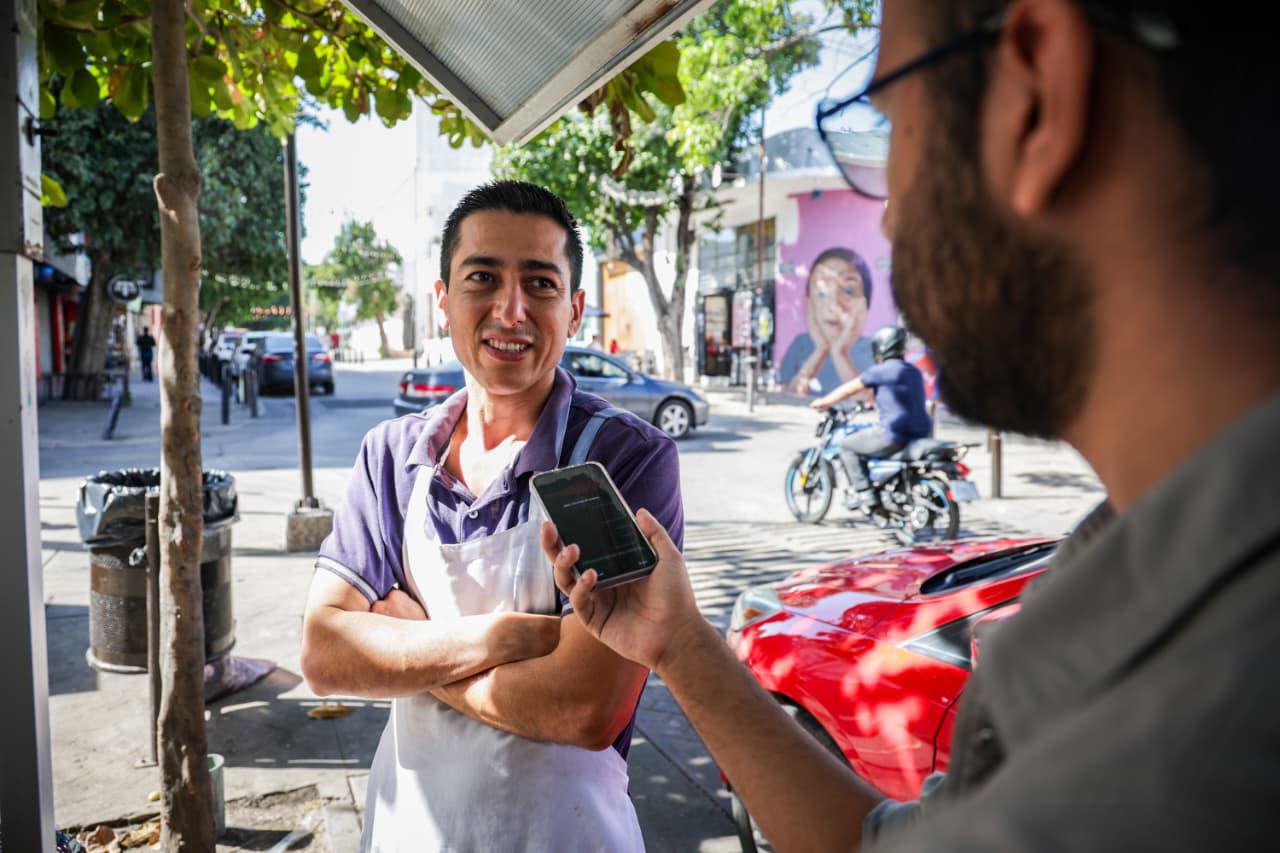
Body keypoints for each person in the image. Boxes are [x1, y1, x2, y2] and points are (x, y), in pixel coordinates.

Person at [541, 2, 1280, 850]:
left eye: (892, 119)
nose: (887, 216)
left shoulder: (1184, 744)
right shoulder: (1150, 570)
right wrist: (679, 644)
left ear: (1035, 98)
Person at [300, 181, 682, 850]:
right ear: (443, 299)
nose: (511, 310)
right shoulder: (392, 458)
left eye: (540, 283)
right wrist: (506, 637)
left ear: (575, 308)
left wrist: (412, 653)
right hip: (406, 832)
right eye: (483, 278)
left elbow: (586, 706)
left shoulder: (619, 459)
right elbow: (328, 655)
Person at [809, 325, 932, 509]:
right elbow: (899, 396)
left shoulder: (880, 371)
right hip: (921, 433)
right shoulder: (913, 371)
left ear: (881, 347)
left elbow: (850, 388)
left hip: (893, 434)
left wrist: (825, 401)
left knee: (847, 445)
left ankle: (864, 492)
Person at [779, 247, 874, 395]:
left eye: (848, 291)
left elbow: (866, 399)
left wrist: (839, 353)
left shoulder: (871, 348)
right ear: (809, 304)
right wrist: (820, 350)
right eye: (821, 293)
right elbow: (789, 395)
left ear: (864, 303)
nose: (833, 304)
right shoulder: (801, 344)